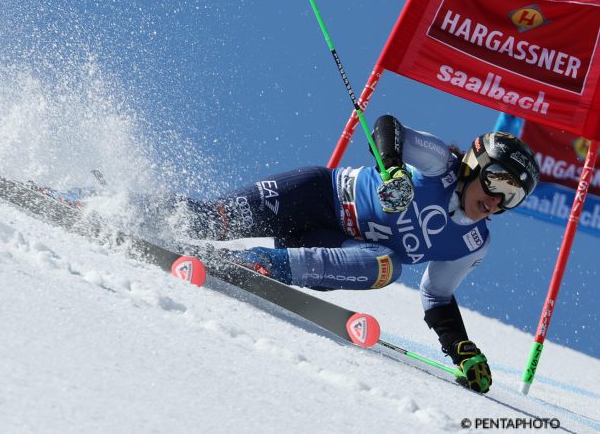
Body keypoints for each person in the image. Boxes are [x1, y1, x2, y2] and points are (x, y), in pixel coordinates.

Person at [155, 115, 539, 394]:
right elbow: (389, 128)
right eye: (497, 181)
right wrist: (394, 172)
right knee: (208, 221)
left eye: (513, 197)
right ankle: (114, 206)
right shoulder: (441, 165)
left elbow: (437, 295)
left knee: (389, 266)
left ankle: (259, 264)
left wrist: (459, 348)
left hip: (327, 251)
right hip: (314, 196)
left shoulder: (473, 243)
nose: (496, 201)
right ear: (476, 165)